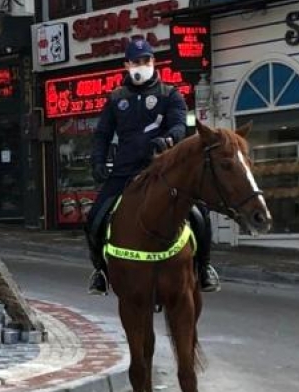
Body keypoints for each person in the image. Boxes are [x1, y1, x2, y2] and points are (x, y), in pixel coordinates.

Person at [85, 37, 220, 295]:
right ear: (127, 64)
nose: (141, 65)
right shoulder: (116, 98)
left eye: (146, 60)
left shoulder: (170, 94)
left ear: (153, 62)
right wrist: (98, 162)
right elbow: (102, 134)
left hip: (162, 170)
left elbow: (180, 125)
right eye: (136, 61)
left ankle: (204, 268)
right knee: (94, 219)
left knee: (200, 215)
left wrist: (168, 139)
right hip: (124, 171)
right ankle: (100, 272)